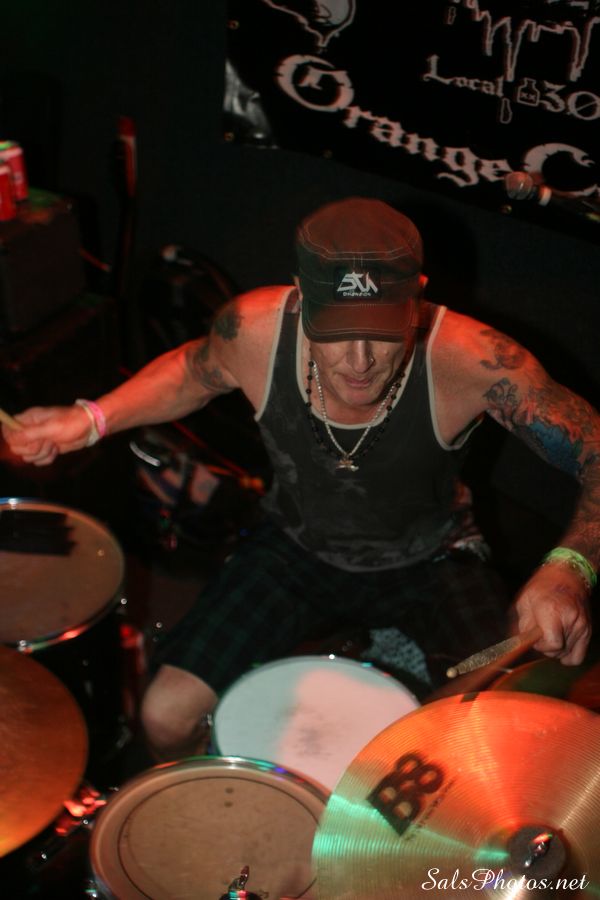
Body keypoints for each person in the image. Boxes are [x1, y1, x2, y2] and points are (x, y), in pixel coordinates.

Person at [3, 197, 598, 762]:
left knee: (499, 731)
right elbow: (193, 372)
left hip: (432, 558)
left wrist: (570, 568)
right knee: (163, 716)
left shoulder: (474, 360)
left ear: (418, 297)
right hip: (295, 545)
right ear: (300, 296)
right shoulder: (253, 330)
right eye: (336, 330)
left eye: (382, 331)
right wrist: (90, 419)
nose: (359, 361)